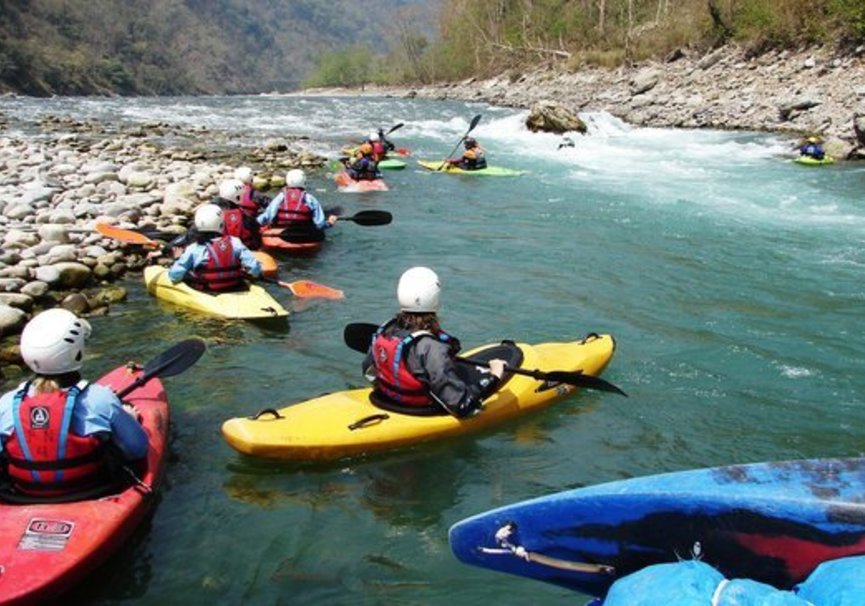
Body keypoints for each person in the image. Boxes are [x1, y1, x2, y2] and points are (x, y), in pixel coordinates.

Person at [0, 309, 148, 498]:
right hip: (90, 493)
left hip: (22, 495)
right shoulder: (100, 398)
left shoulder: (7, 403)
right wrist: (131, 418)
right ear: (77, 352)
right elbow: (137, 449)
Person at [362, 267, 507, 418]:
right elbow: (461, 405)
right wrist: (494, 375)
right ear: (435, 298)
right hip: (420, 408)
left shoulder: (385, 330)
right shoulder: (432, 348)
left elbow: (369, 370)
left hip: (387, 399)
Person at [168, 203, 262, 292]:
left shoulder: (194, 248)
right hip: (234, 285)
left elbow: (174, 276)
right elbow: (255, 269)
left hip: (208, 290)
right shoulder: (235, 242)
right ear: (221, 223)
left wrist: (177, 259)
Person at [258, 169, 337, 234]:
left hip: (280, 232)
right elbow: (320, 224)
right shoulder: (310, 199)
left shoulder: (280, 197)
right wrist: (329, 223)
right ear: (303, 181)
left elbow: (267, 216)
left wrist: (255, 223)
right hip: (305, 233)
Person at [212, 178, 263, 251]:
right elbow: (257, 239)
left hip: (222, 254)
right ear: (238, 197)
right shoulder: (247, 217)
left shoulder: (212, 215)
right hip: (246, 252)